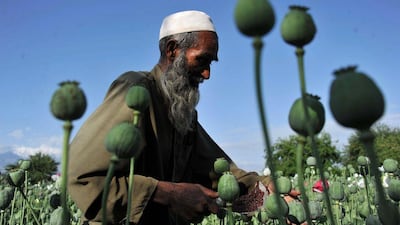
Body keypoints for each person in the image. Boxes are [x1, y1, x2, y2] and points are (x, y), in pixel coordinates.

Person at [68, 10, 272, 225]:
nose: (207, 74)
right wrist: (169, 194)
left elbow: (220, 172)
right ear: (173, 50)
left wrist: (268, 189)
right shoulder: (137, 90)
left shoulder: (183, 113)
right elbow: (83, 178)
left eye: (211, 63)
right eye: (202, 60)